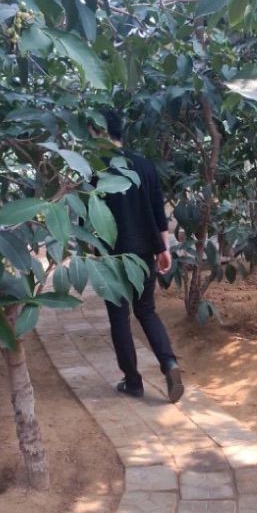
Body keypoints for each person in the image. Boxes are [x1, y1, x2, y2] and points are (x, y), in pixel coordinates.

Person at [89, 109, 184, 403]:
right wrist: (164, 249)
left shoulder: (94, 170)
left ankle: (133, 382)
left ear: (99, 131)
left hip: (111, 257)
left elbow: (87, 218)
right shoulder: (143, 165)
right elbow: (157, 210)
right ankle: (169, 363)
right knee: (146, 311)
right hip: (143, 253)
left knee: (119, 318)